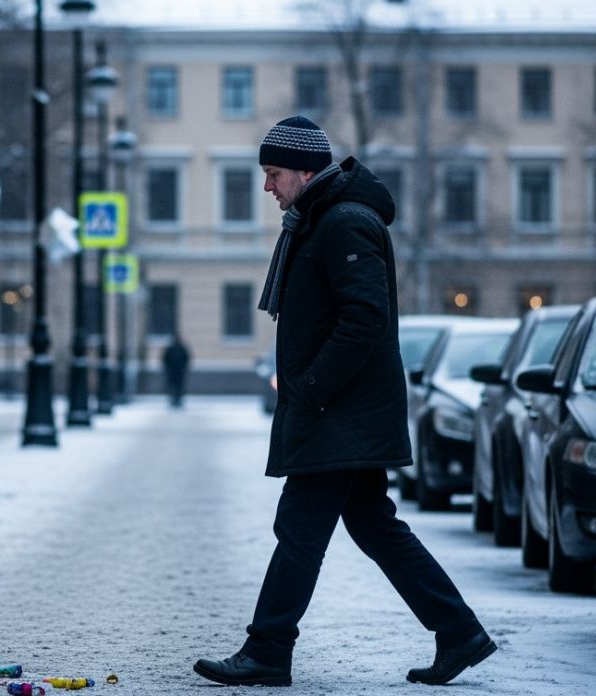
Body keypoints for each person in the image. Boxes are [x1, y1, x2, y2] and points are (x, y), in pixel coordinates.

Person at [193, 116, 496, 688]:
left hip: (340, 413)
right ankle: (458, 631)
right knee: (373, 525)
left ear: (305, 171)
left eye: (274, 174)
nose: (268, 187)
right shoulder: (323, 218)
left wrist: (311, 389)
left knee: (300, 526)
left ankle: (267, 649)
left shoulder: (344, 222)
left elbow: (365, 318)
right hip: (343, 413)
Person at [161, 335, 191, 408]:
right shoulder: (171, 349)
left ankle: (178, 401)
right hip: (172, 372)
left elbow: (186, 359)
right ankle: (173, 401)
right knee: (173, 387)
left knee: (179, 387)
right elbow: (165, 359)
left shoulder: (182, 349)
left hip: (179, 372)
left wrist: (184, 368)